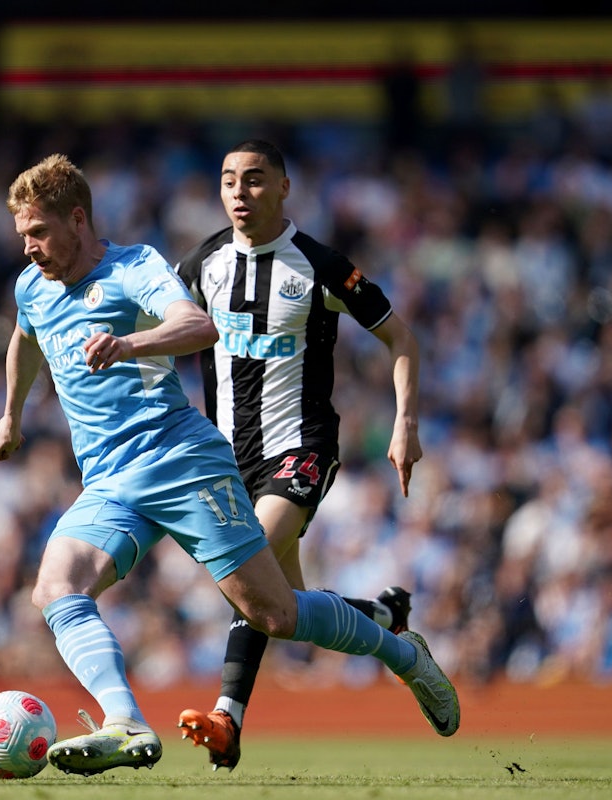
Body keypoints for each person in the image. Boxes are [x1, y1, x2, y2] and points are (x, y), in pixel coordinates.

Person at [0, 153, 459, 777]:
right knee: (55, 587)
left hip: (182, 460)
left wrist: (129, 343)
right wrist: (11, 415)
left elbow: (196, 324)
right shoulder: (31, 286)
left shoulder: (136, 269)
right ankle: (124, 722)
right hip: (109, 480)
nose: (30, 249)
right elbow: (25, 337)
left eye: (39, 233)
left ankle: (403, 657)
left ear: (78, 219)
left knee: (274, 613)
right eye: (22, 236)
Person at [174, 139, 430, 770]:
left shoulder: (320, 265)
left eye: (256, 180)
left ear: (284, 188)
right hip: (228, 459)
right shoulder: (203, 262)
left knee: (249, 571)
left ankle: (227, 720)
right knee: (284, 612)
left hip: (302, 447)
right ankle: (382, 614)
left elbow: (399, 336)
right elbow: (165, 329)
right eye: (230, 180)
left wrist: (405, 424)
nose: (241, 192)